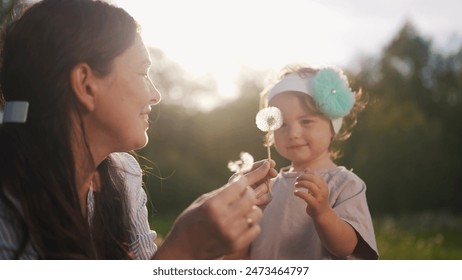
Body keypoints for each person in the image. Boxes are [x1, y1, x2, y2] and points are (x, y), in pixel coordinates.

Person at [0, 0, 275, 259]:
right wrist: (183, 248)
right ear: (85, 83)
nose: (155, 95)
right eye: (143, 73)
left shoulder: (122, 175)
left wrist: (226, 236)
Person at [248, 64, 378, 259]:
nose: (293, 133)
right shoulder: (268, 186)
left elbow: (347, 247)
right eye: (281, 124)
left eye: (306, 121)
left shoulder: (345, 184)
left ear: (332, 128)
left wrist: (323, 212)